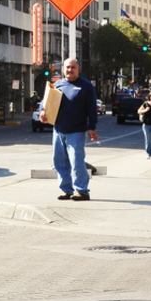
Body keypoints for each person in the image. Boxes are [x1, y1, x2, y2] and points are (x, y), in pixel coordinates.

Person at [40, 57, 98, 201]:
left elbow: (92, 108)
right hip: (58, 130)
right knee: (59, 162)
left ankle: (82, 190)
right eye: (67, 67)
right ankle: (67, 189)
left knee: (76, 161)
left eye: (73, 67)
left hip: (76, 131)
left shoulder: (86, 86)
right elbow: (45, 102)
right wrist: (42, 111)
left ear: (78, 69)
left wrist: (92, 127)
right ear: (63, 69)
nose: (70, 70)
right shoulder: (57, 84)